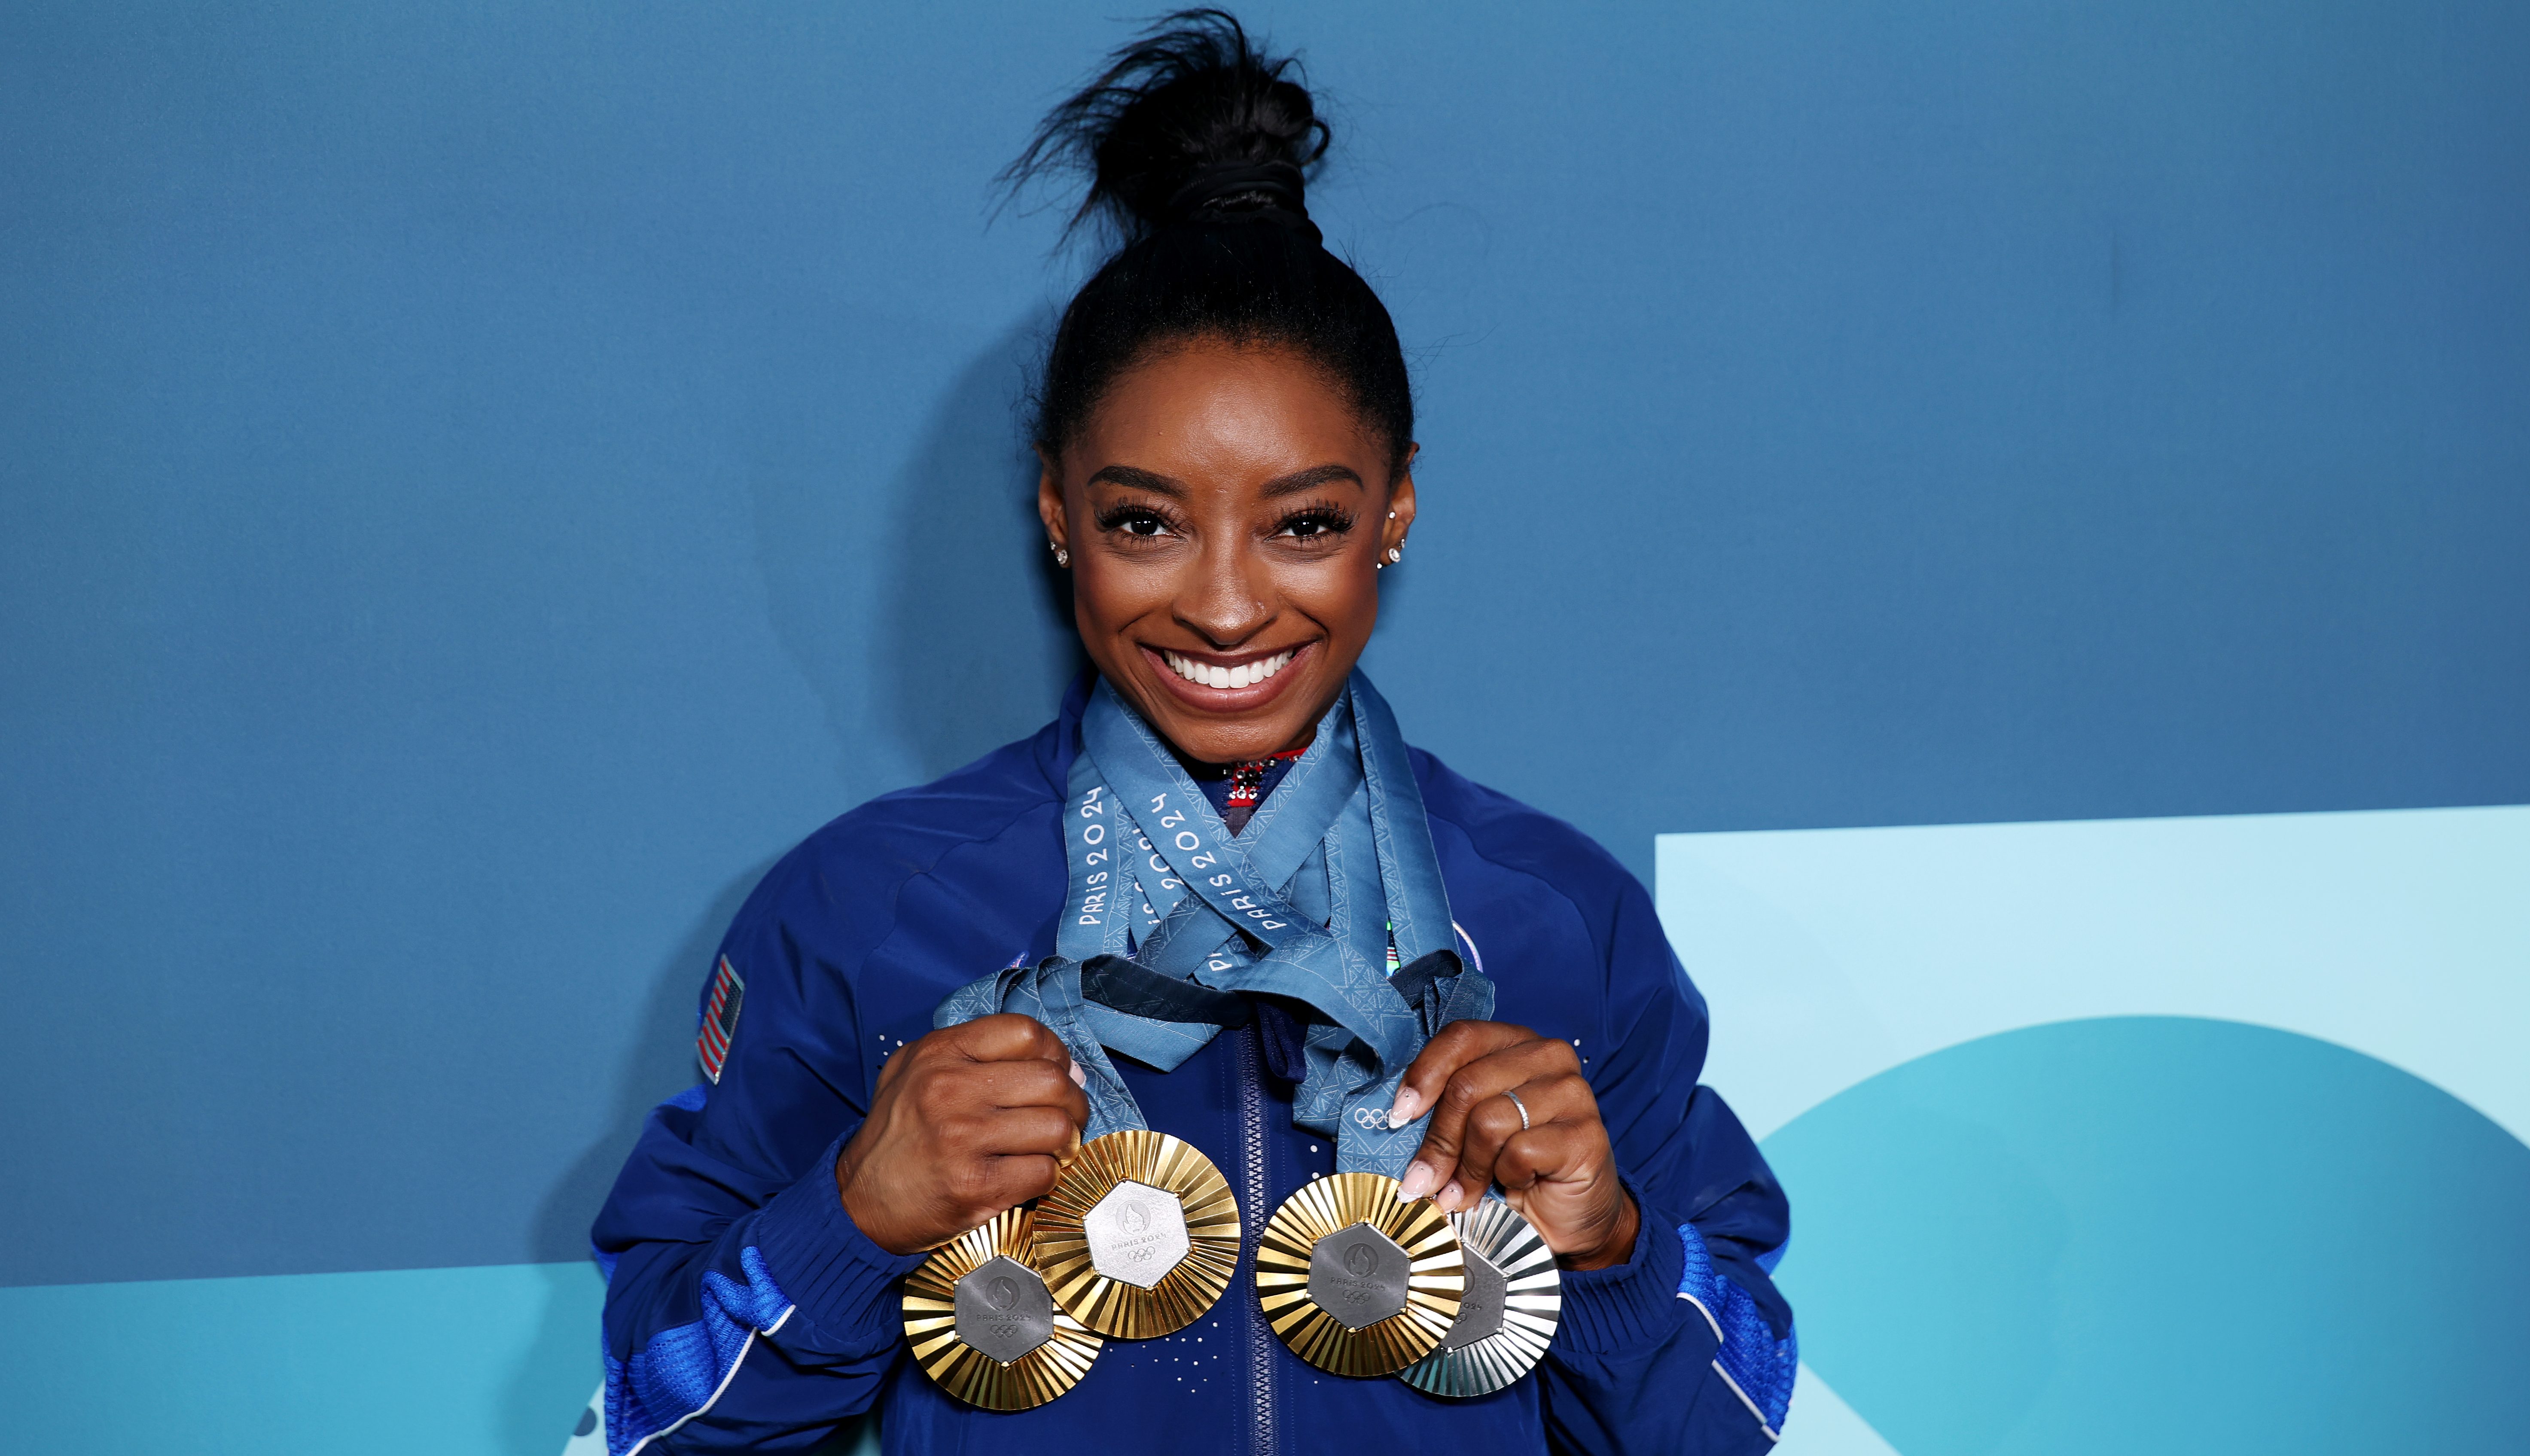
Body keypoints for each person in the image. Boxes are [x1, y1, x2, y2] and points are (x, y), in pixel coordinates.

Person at [591, 13, 1795, 1454]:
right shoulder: (862, 912)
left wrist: (1606, 1245)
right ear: (1057, 515)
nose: (1226, 607)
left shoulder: (1557, 918)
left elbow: (1734, 1423)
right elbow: (658, 1422)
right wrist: (848, 1218)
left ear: (1394, 513)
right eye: (1146, 522)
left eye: (1305, 524)